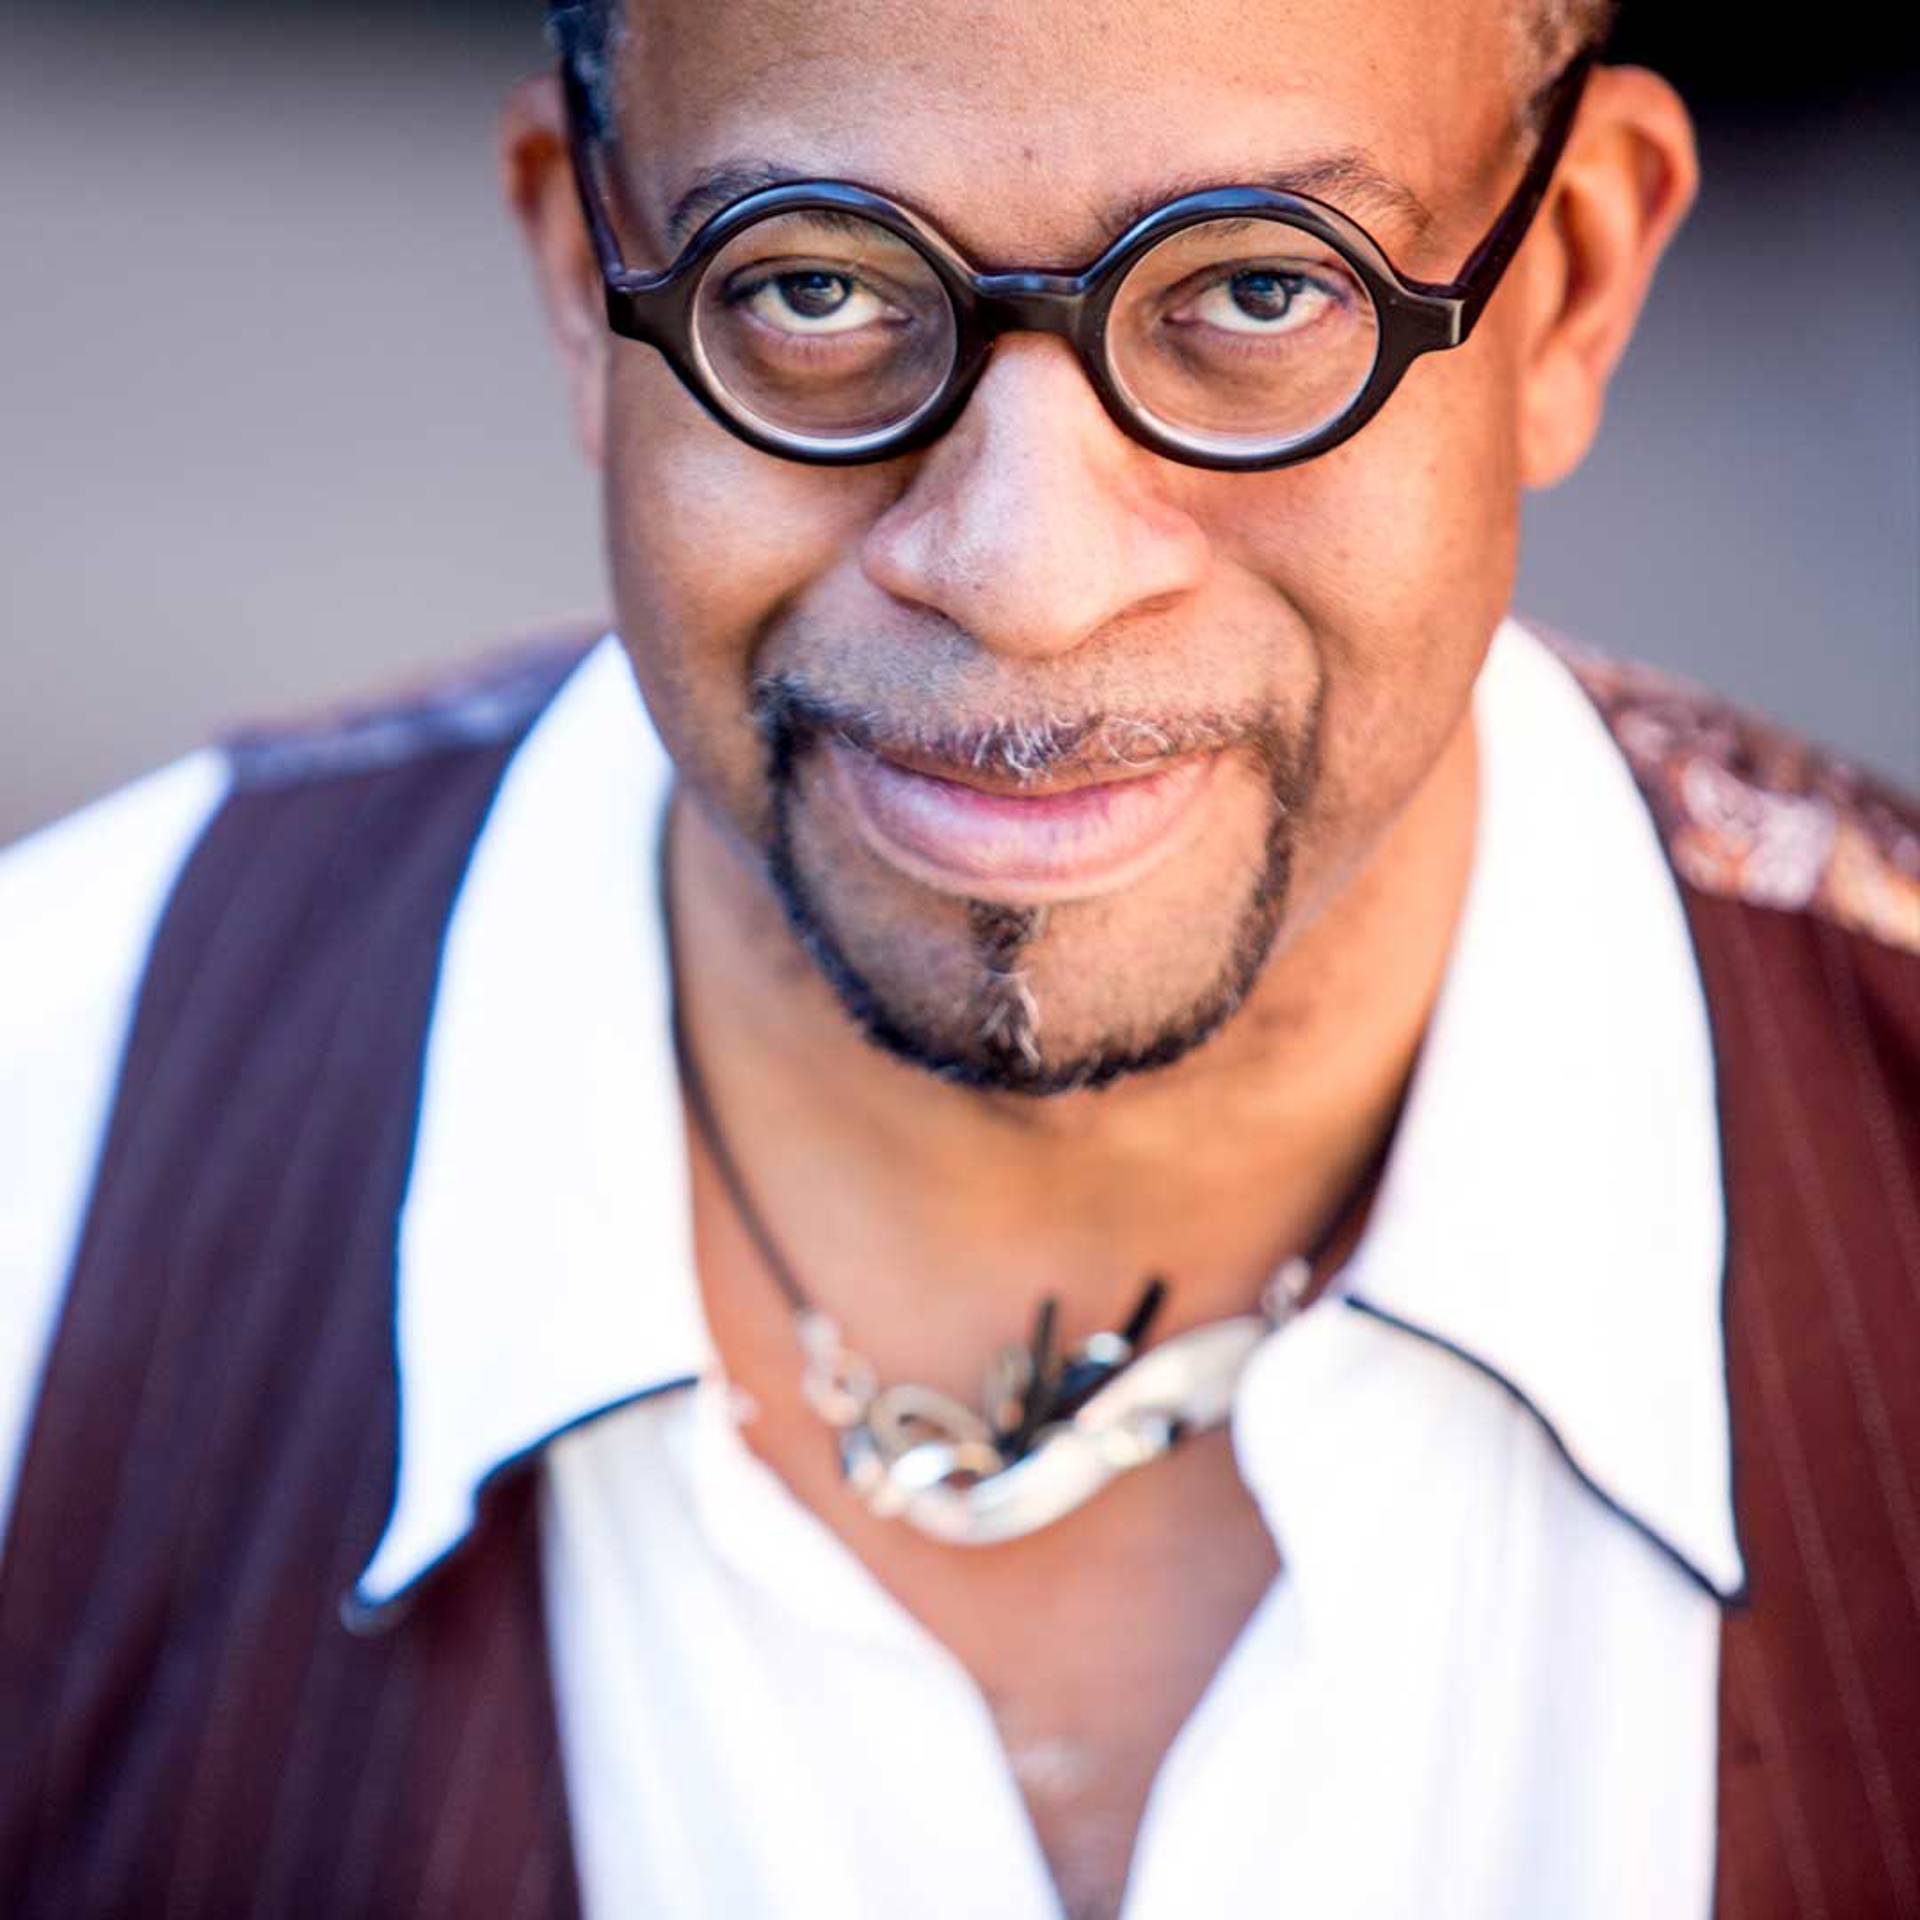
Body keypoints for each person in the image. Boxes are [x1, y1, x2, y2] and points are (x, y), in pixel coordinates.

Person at [1, 0, 1915, 1914]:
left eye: (1261, 291)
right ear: (590, 282)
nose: (1027, 579)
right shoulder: (45, 1127)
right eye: (819, 288)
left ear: (1570, 287)